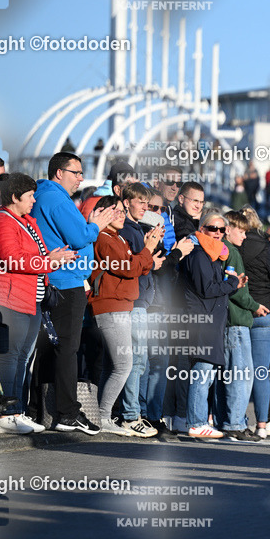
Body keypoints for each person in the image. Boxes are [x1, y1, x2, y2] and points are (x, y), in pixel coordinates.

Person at [0, 173, 76, 434]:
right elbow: (11, 258)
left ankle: (16, 410)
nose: (34, 200)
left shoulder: (24, 221)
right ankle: (4, 415)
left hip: (27, 298)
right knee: (7, 359)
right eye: (30, 195)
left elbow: (33, 257)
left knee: (20, 358)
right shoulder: (2, 221)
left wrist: (52, 257)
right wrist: (48, 262)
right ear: (14, 197)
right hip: (3, 299)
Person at [32, 152, 114, 434]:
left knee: (51, 349)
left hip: (54, 281)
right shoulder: (56, 198)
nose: (81, 177)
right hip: (64, 283)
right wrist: (96, 226)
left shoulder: (46, 196)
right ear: (58, 173)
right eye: (76, 172)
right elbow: (80, 237)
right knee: (67, 349)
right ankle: (67, 413)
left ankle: (41, 410)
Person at [88, 196, 159, 436]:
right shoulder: (104, 238)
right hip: (111, 306)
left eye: (121, 211)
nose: (120, 215)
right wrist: (147, 250)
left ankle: (102, 416)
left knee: (112, 366)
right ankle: (104, 418)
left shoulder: (117, 238)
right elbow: (129, 268)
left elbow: (140, 266)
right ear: (102, 214)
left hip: (122, 305)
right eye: (115, 211)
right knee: (124, 365)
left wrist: (146, 251)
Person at [179, 213, 244, 438]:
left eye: (222, 230)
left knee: (205, 374)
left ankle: (197, 420)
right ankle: (196, 422)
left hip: (211, 321)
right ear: (202, 228)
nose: (218, 233)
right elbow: (207, 290)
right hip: (201, 321)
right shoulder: (198, 255)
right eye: (212, 228)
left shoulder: (212, 254)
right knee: (202, 372)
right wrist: (231, 283)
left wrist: (229, 284)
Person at [116, 183, 165, 437]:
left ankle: (129, 413)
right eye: (141, 202)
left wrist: (151, 250)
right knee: (135, 362)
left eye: (148, 203)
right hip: (133, 303)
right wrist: (150, 252)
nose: (145, 208)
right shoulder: (127, 229)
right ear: (127, 202)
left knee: (138, 362)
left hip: (140, 302)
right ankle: (130, 415)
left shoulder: (135, 228)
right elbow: (134, 266)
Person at [215, 210, 263, 443]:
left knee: (225, 376)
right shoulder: (231, 252)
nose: (244, 236)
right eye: (241, 231)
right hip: (236, 322)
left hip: (225, 322)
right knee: (241, 375)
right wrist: (254, 306)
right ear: (229, 228)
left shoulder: (218, 249)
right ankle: (235, 423)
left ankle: (225, 421)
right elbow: (237, 290)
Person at [239, 206, 270, 438]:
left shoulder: (233, 245)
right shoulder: (265, 247)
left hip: (241, 309)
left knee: (238, 369)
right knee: (261, 371)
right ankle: (263, 425)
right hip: (267, 312)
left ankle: (236, 418)